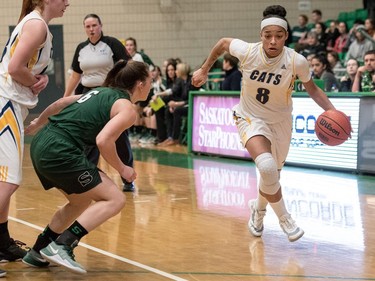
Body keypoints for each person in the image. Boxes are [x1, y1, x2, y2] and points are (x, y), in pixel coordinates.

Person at [192, 5, 337, 242]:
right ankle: (285, 219)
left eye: (278, 36)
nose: (273, 41)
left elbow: (313, 88)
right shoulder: (248, 51)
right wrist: (204, 69)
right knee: (267, 168)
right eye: (268, 36)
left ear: (286, 36)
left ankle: (258, 211)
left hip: (280, 121)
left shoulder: (296, 61)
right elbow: (222, 43)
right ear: (261, 36)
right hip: (250, 117)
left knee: (272, 177)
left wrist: (333, 111)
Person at [21, 60, 151, 273]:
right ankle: (63, 245)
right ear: (140, 84)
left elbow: (60, 104)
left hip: (42, 143)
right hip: (60, 150)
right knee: (116, 199)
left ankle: (38, 250)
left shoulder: (100, 92)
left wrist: (39, 123)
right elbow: (103, 141)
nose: (151, 85)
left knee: (80, 201)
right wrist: (123, 169)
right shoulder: (127, 109)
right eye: (150, 80)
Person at [0, 0, 70, 266]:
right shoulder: (37, 25)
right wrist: (36, 81)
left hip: (9, 103)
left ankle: (2, 242)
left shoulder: (37, 23)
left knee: (4, 178)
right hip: (5, 103)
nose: (67, 2)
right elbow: (15, 68)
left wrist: (39, 78)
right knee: (9, 181)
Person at [62, 14, 135, 192]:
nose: (91, 29)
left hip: (110, 94)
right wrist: (65, 97)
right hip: (88, 94)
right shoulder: (81, 48)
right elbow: (76, 75)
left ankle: (127, 177)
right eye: (87, 26)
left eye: (94, 25)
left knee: (118, 136)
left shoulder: (112, 44)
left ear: (101, 26)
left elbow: (129, 65)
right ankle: (87, 177)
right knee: (88, 136)